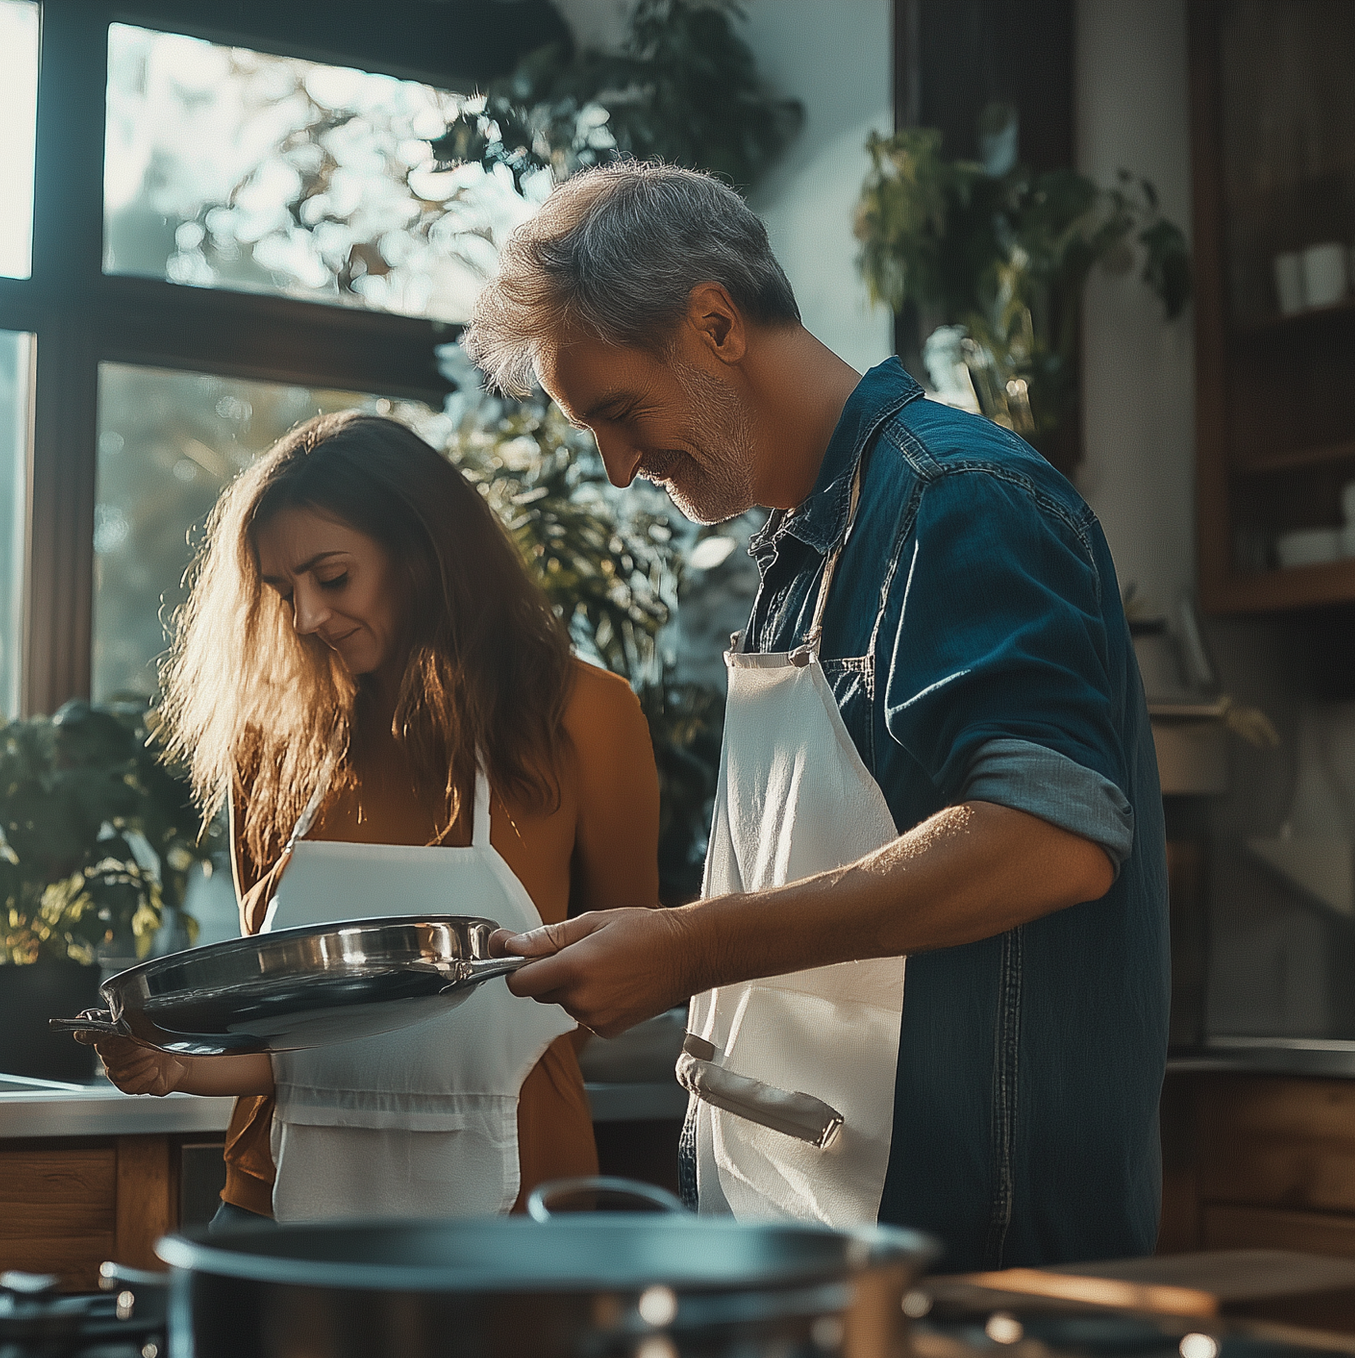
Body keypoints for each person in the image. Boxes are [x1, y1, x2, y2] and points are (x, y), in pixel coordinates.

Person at [461, 161, 1166, 1272]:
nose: (615, 465)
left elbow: (1049, 844)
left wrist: (690, 945)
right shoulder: (802, 551)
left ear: (713, 324)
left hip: (968, 1249)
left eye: (617, 410)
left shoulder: (956, 498)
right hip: (803, 1222)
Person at [84, 412, 659, 1226]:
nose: (307, 617)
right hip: (270, 1210)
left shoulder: (587, 716)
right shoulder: (273, 747)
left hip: (517, 1216)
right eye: (285, 592)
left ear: (424, 552)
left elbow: (628, 980)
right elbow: (286, 1036)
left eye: (333, 576)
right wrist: (174, 1062)